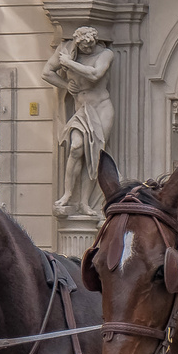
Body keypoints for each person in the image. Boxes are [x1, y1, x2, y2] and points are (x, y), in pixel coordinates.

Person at [44, 27, 115, 216]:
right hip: (81, 110)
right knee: (76, 148)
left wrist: (68, 63)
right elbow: (47, 73)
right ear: (77, 42)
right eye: (84, 45)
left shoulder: (105, 54)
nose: (88, 48)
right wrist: (66, 84)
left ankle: (84, 202)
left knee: (94, 155)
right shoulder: (66, 50)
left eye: (91, 44)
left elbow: (94, 74)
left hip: (101, 109)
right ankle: (68, 194)